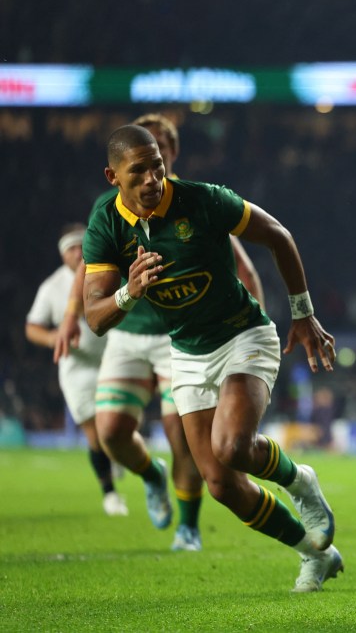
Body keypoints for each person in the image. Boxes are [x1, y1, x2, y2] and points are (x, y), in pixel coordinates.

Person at [81, 124, 341, 592]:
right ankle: (313, 554)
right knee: (220, 484)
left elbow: (278, 235)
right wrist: (129, 290)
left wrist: (303, 313)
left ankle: (300, 481)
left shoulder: (201, 200)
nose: (151, 179)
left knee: (231, 447)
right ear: (112, 177)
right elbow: (96, 317)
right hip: (187, 351)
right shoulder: (105, 222)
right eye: (137, 171)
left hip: (244, 335)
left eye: (156, 166)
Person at [56, 113, 265, 551]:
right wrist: (71, 317)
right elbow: (90, 275)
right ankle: (152, 475)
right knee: (111, 431)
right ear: (119, 170)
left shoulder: (196, 203)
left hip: (182, 337)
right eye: (147, 157)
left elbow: (242, 264)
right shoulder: (109, 211)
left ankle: (187, 527)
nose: (157, 164)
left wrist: (251, 343)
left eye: (164, 151)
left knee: (182, 435)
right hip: (128, 332)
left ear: (171, 153)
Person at [26, 223, 126, 517]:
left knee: (118, 424)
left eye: (81, 246)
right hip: (77, 366)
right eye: (70, 248)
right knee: (95, 434)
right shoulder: (52, 287)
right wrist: (54, 337)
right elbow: (32, 327)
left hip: (113, 356)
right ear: (62, 255)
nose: (77, 253)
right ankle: (110, 494)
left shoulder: (108, 272)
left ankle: (120, 453)